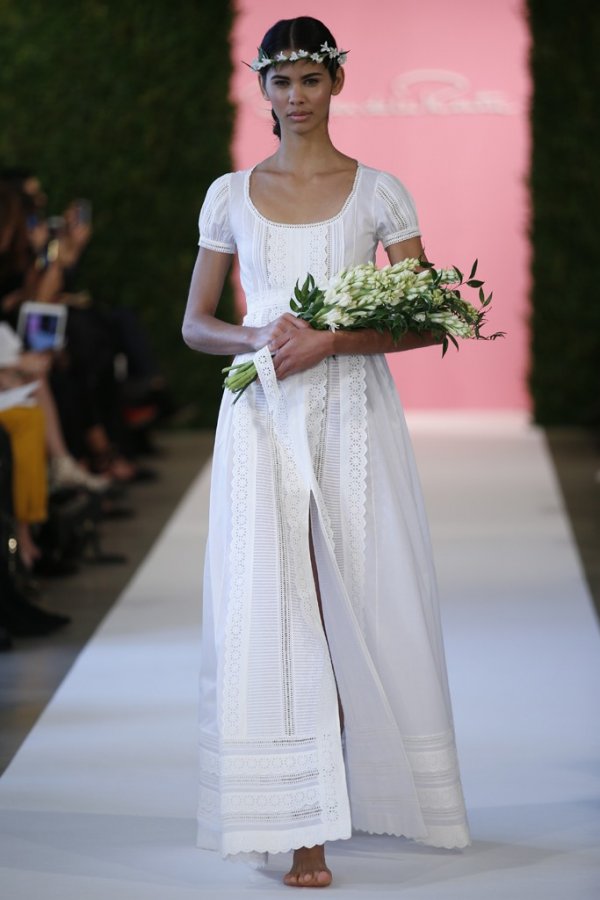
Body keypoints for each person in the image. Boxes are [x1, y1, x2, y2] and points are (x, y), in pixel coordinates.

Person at [182, 16, 470, 888]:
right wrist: (258, 338)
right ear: (262, 90)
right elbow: (195, 324)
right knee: (274, 607)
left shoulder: (379, 192)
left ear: (336, 82)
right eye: (282, 81)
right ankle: (299, 824)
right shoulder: (229, 194)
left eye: (311, 79)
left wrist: (333, 341)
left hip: (351, 418)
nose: (297, 96)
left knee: (355, 603)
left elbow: (433, 317)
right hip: (262, 417)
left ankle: (353, 796)